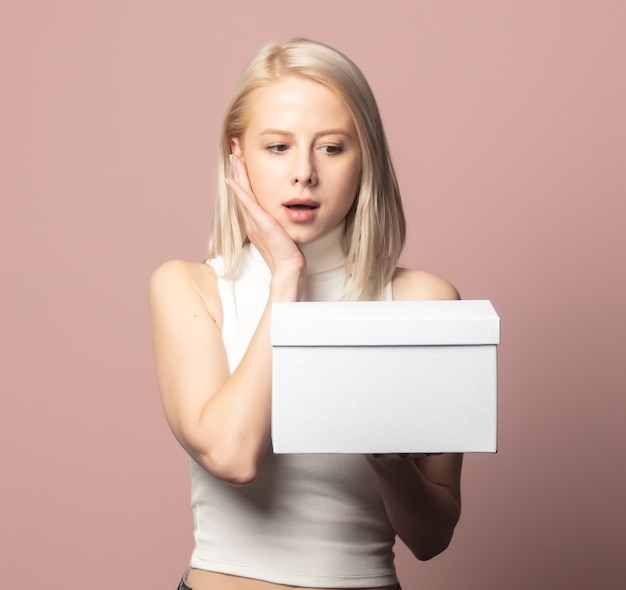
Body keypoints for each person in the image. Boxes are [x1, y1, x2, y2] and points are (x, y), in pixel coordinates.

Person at [149, 38, 463, 590]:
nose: (304, 174)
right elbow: (232, 454)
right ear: (236, 154)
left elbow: (432, 538)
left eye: (332, 147)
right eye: (277, 147)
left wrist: (389, 461)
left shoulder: (427, 304)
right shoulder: (189, 288)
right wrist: (286, 278)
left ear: (365, 158)